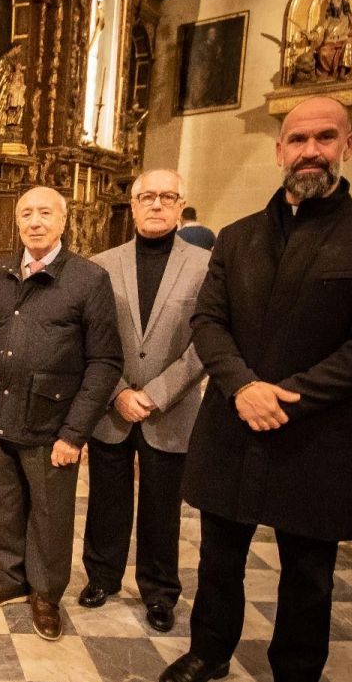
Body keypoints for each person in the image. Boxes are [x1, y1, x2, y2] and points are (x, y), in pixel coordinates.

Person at [161, 96, 352, 682]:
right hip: (233, 422)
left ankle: (296, 670)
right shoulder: (237, 237)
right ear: (279, 151)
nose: (310, 151)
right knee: (219, 557)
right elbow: (208, 322)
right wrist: (243, 387)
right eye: (297, 140)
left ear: (348, 145)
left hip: (315, 435)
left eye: (325, 138)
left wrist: (284, 396)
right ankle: (209, 652)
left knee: (308, 574)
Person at [0, 186, 122, 642]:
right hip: (0, 414)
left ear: (63, 220)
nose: (35, 222)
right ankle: (11, 576)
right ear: (17, 222)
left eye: (45, 213)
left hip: (53, 424)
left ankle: (46, 593)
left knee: (51, 515)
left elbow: (105, 362)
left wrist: (74, 433)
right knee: (5, 502)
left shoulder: (88, 279)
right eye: (26, 214)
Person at [82, 169, 210, 633]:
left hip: (171, 408)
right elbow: (90, 337)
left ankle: (159, 592)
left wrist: (155, 394)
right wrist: (118, 392)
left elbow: (207, 341)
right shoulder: (100, 264)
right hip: (112, 407)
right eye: (148, 197)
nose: (157, 205)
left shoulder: (205, 265)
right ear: (134, 205)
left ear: (180, 205)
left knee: (162, 507)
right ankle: (102, 577)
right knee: (106, 500)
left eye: (167, 197)